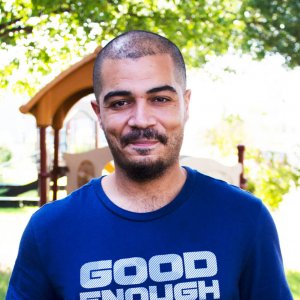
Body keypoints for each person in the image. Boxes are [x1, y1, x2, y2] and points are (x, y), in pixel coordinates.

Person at [6, 30, 292, 300]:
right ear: (99, 113)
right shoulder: (49, 231)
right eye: (120, 102)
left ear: (185, 104)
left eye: (160, 99)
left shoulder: (244, 218)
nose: (141, 119)